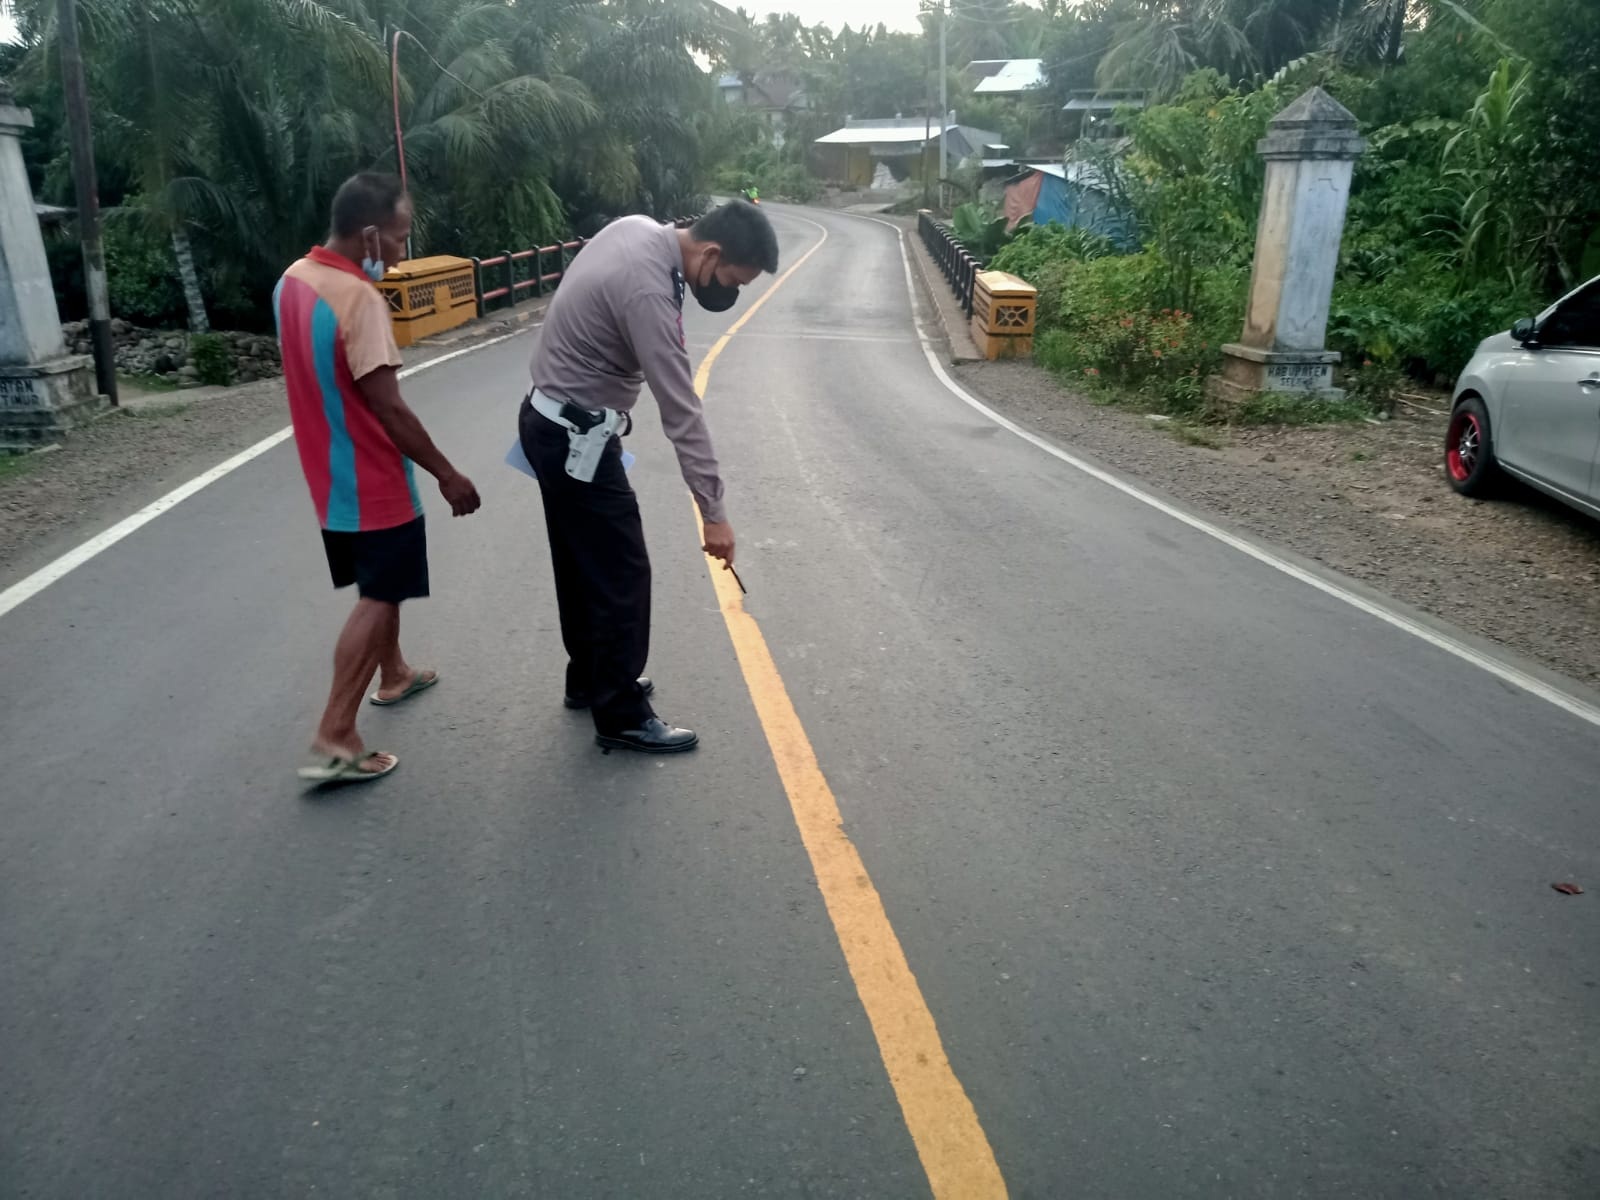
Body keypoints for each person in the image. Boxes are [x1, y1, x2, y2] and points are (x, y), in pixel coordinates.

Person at [519, 201, 779, 753]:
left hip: (551, 419)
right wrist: (715, 514)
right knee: (622, 572)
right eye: (733, 278)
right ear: (710, 253)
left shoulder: (637, 230)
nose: (728, 292)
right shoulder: (649, 291)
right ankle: (620, 713)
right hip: (574, 435)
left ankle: (591, 677)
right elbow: (681, 409)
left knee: (581, 562)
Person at [275, 172, 481, 784]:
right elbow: (388, 405)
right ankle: (336, 733)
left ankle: (394, 674)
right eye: (397, 238)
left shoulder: (293, 280)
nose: (400, 251)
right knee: (381, 593)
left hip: (326, 473)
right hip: (373, 477)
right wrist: (447, 474)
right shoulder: (358, 299)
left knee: (380, 581)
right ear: (368, 234)